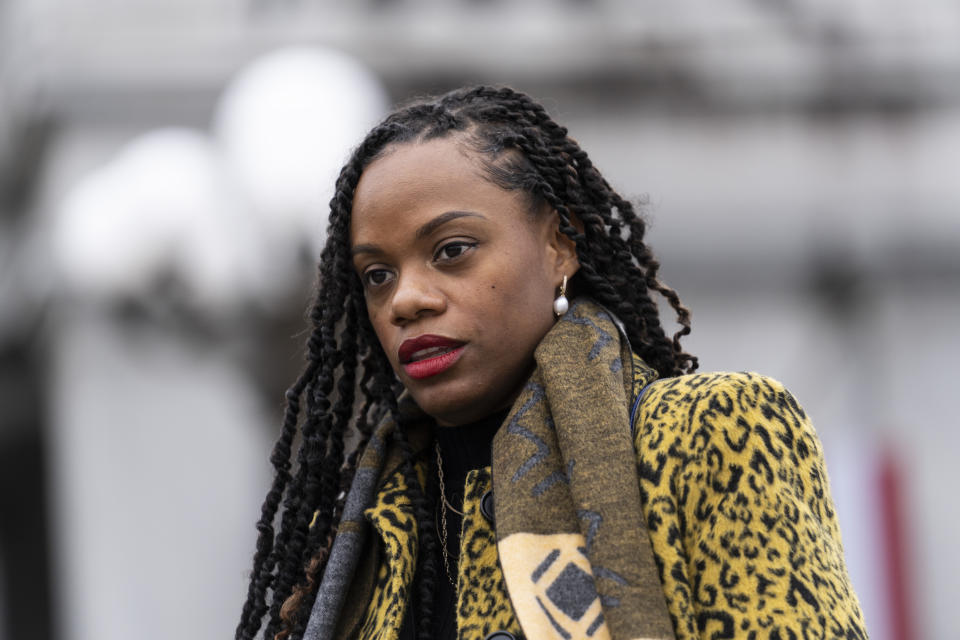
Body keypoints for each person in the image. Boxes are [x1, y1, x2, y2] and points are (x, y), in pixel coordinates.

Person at [236, 86, 868, 640]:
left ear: (559, 244)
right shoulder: (364, 525)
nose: (406, 299)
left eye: (452, 250)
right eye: (377, 275)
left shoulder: (710, 433)